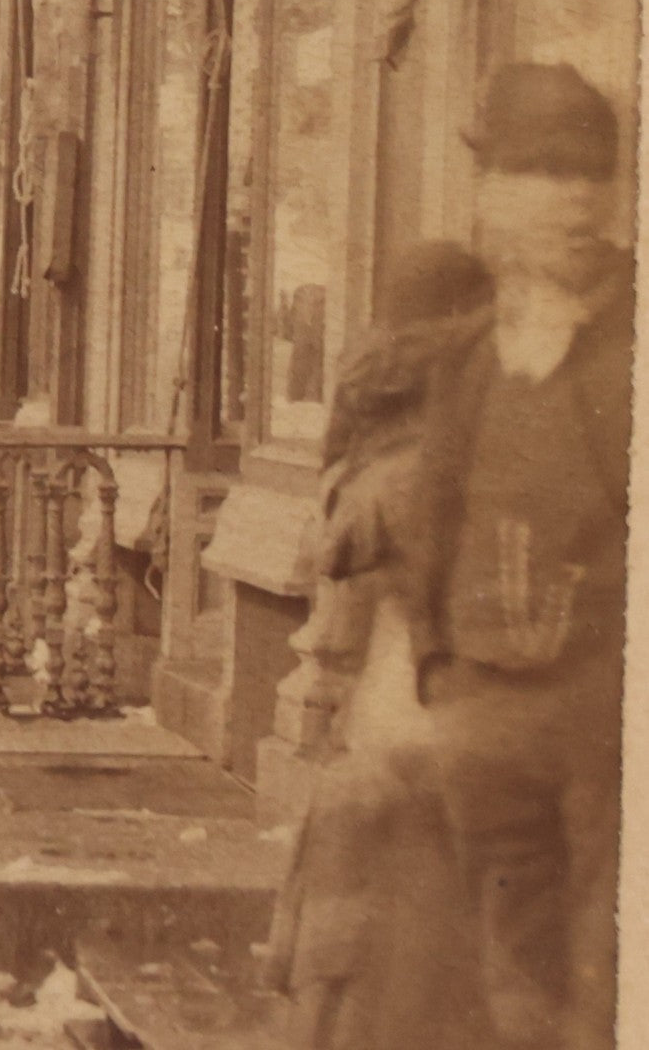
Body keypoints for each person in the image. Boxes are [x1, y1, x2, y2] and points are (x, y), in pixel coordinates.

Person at [411, 63, 631, 1050]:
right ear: (495, 195)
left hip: (608, 724)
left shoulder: (629, 346)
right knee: (503, 966)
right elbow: (434, 514)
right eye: (543, 174)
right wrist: (435, 666)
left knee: (606, 974)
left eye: (589, 176)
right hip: (483, 710)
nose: (572, 199)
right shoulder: (467, 355)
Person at [265, 243, 496, 1050]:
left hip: (354, 708)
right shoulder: (445, 432)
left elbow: (323, 553)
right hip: (416, 715)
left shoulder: (363, 411)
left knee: (346, 964)